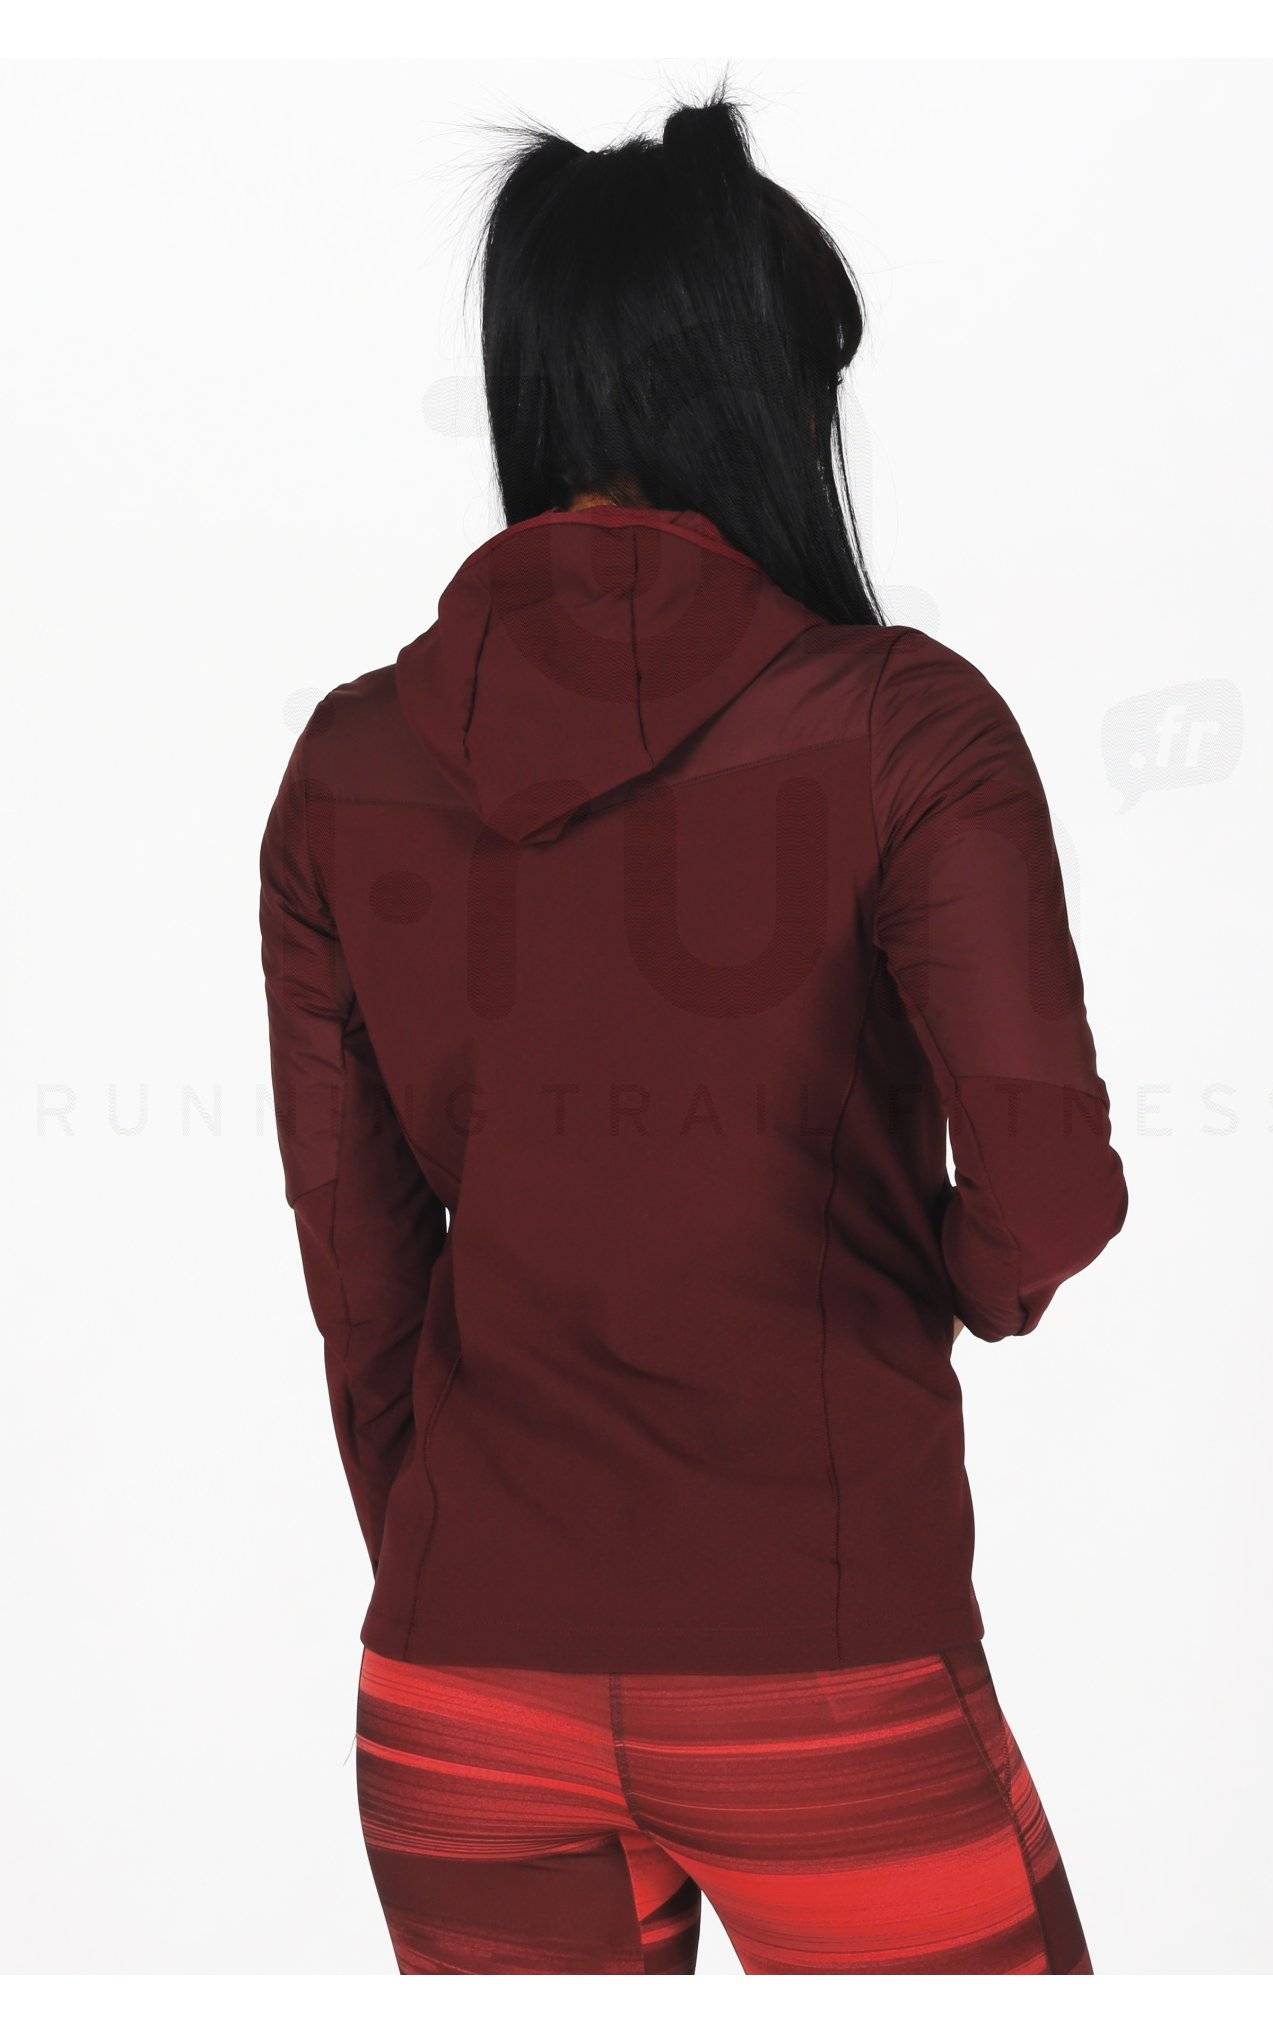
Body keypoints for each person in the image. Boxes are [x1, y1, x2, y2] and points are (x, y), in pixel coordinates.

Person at [260, 91, 1127, 1976]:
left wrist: (470, 1562)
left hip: (463, 1699)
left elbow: (359, 1269)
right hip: (825, 1673)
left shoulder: (347, 766)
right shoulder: (906, 728)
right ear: (768, 395)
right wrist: (947, 1284)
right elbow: (1048, 1190)